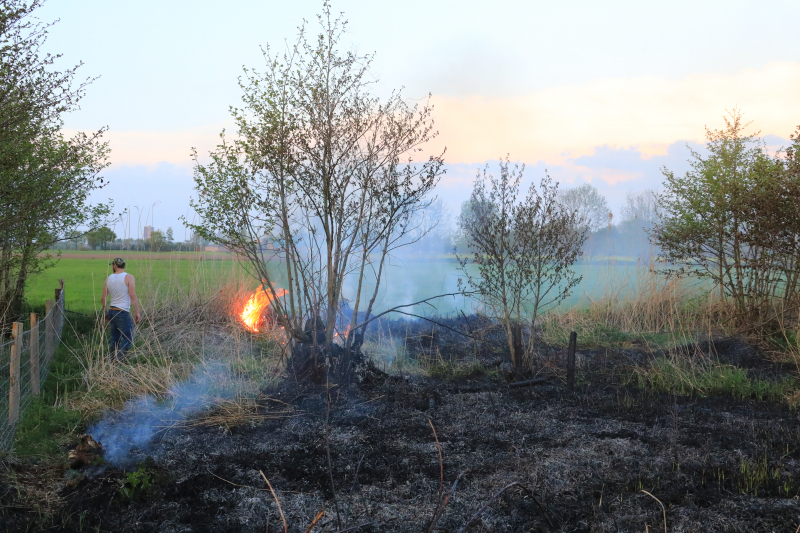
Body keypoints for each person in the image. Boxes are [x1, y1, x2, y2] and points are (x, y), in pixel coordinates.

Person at [101, 257, 141, 359]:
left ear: (114, 266)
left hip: (111, 311)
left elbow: (103, 298)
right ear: (123, 265)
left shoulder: (108, 278)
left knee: (115, 338)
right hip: (122, 312)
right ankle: (118, 359)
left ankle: (112, 359)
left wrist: (106, 313)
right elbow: (132, 296)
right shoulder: (129, 277)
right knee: (128, 338)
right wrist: (137, 313)